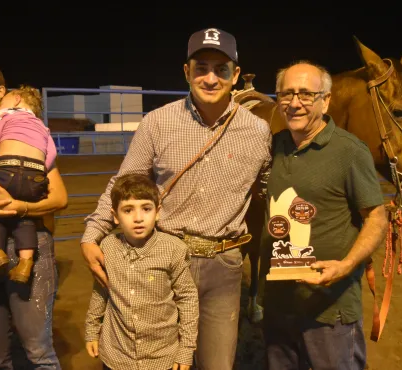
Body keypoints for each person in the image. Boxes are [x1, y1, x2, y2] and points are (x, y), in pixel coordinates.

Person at [81, 28, 272, 369]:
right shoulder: (157, 122)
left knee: (217, 363)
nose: (210, 78)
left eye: (221, 69)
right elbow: (125, 182)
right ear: (187, 72)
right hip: (161, 258)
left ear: (236, 75)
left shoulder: (258, 132)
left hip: (223, 264)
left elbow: (273, 188)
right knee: (159, 361)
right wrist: (92, 233)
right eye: (201, 68)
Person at [259, 61, 389, 370]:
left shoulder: (349, 151)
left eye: (306, 93)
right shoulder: (272, 147)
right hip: (279, 305)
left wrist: (345, 266)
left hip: (329, 307)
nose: (294, 102)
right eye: (286, 94)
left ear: (326, 100)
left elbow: (376, 217)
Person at [0, 60, 67, 369]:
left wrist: (21, 207)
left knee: (39, 352)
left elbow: (59, 196)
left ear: (1, 91)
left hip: (29, 242)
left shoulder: (26, 132)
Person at [84, 173, 199, 370]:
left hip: (161, 357)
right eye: (128, 210)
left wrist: (186, 349)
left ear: (157, 212)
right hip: (117, 356)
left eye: (146, 209)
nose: (138, 218)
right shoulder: (108, 247)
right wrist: (92, 330)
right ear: (115, 216)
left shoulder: (174, 249)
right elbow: (101, 291)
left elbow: (187, 298)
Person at [0, 84, 56, 283]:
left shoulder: (5, 117)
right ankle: (25, 264)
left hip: (8, 170)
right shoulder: (43, 127)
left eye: (4, 99)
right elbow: (51, 154)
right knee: (25, 220)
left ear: (15, 100)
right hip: (35, 177)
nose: (0, 105)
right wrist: (40, 172)